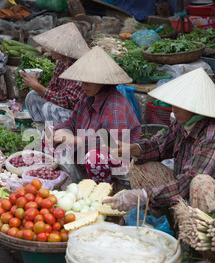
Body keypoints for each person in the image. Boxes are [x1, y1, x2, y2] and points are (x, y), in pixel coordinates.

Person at [103, 67, 215, 214]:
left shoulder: (213, 137)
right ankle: (166, 217)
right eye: (174, 104)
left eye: (181, 105)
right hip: (188, 188)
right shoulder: (183, 124)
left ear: (196, 108)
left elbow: (188, 181)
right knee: (139, 165)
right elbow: (159, 146)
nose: (174, 109)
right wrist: (132, 148)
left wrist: (143, 195)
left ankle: (198, 231)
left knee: (200, 183)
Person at [44, 46, 142, 183]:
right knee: (48, 135)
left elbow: (113, 146)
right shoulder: (87, 97)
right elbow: (72, 122)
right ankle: (75, 181)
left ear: (102, 81)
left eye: (89, 81)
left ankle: (102, 189)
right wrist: (57, 132)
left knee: (93, 157)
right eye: (82, 80)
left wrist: (75, 140)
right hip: (87, 150)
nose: (84, 85)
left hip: (117, 162)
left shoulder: (114, 107)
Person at [21, 22, 89, 127]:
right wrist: (37, 87)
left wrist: (38, 87)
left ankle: (56, 139)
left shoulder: (79, 67)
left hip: (80, 117)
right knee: (32, 96)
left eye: (53, 46)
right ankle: (43, 133)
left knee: (49, 108)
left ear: (63, 49)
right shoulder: (61, 63)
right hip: (64, 110)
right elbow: (53, 88)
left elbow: (67, 101)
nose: (49, 49)